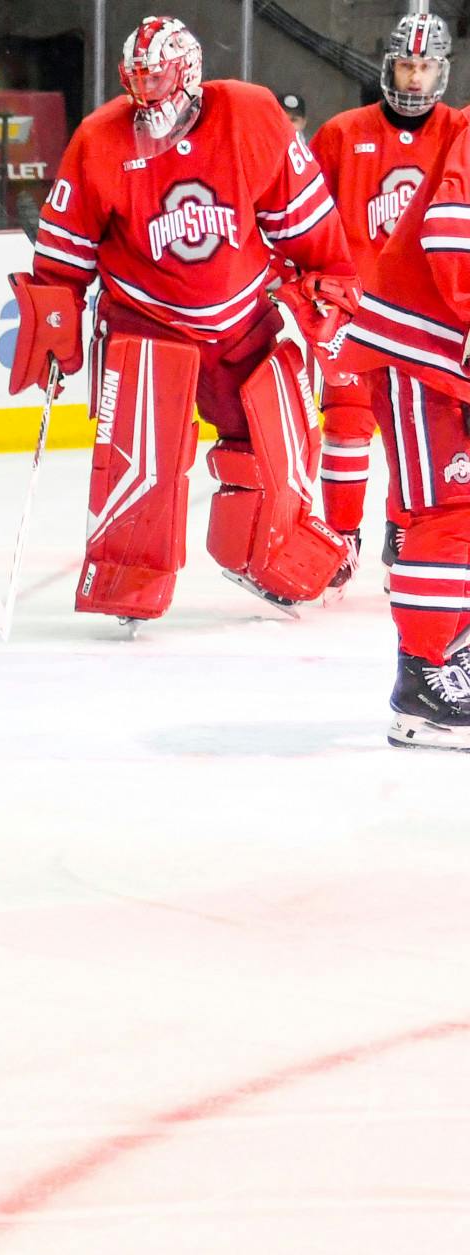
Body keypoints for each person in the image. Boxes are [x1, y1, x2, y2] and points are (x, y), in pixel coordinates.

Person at [9, 15, 357, 623]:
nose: (147, 97)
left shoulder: (249, 114)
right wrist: (53, 320)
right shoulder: (100, 138)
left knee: (277, 434)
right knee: (140, 459)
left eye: (158, 81)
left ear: (189, 75)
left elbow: (301, 215)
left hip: (241, 319)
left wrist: (325, 276)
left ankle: (268, 550)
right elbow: (65, 253)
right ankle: (128, 572)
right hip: (146, 320)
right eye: (137, 82)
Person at [334, 23, 470, 748]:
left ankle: (452, 650)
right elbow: (452, 230)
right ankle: (419, 685)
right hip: (422, 345)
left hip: (445, 349)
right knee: (449, 507)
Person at [309, 11, 462, 589]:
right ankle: (342, 537)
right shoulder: (343, 133)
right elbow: (306, 215)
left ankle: (408, 522)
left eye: (425, 66)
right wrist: (309, 280)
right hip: (357, 311)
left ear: (441, 70)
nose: (415, 78)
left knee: (421, 427)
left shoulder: (458, 133)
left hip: (429, 317)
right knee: (347, 422)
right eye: (406, 64)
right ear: (388, 66)